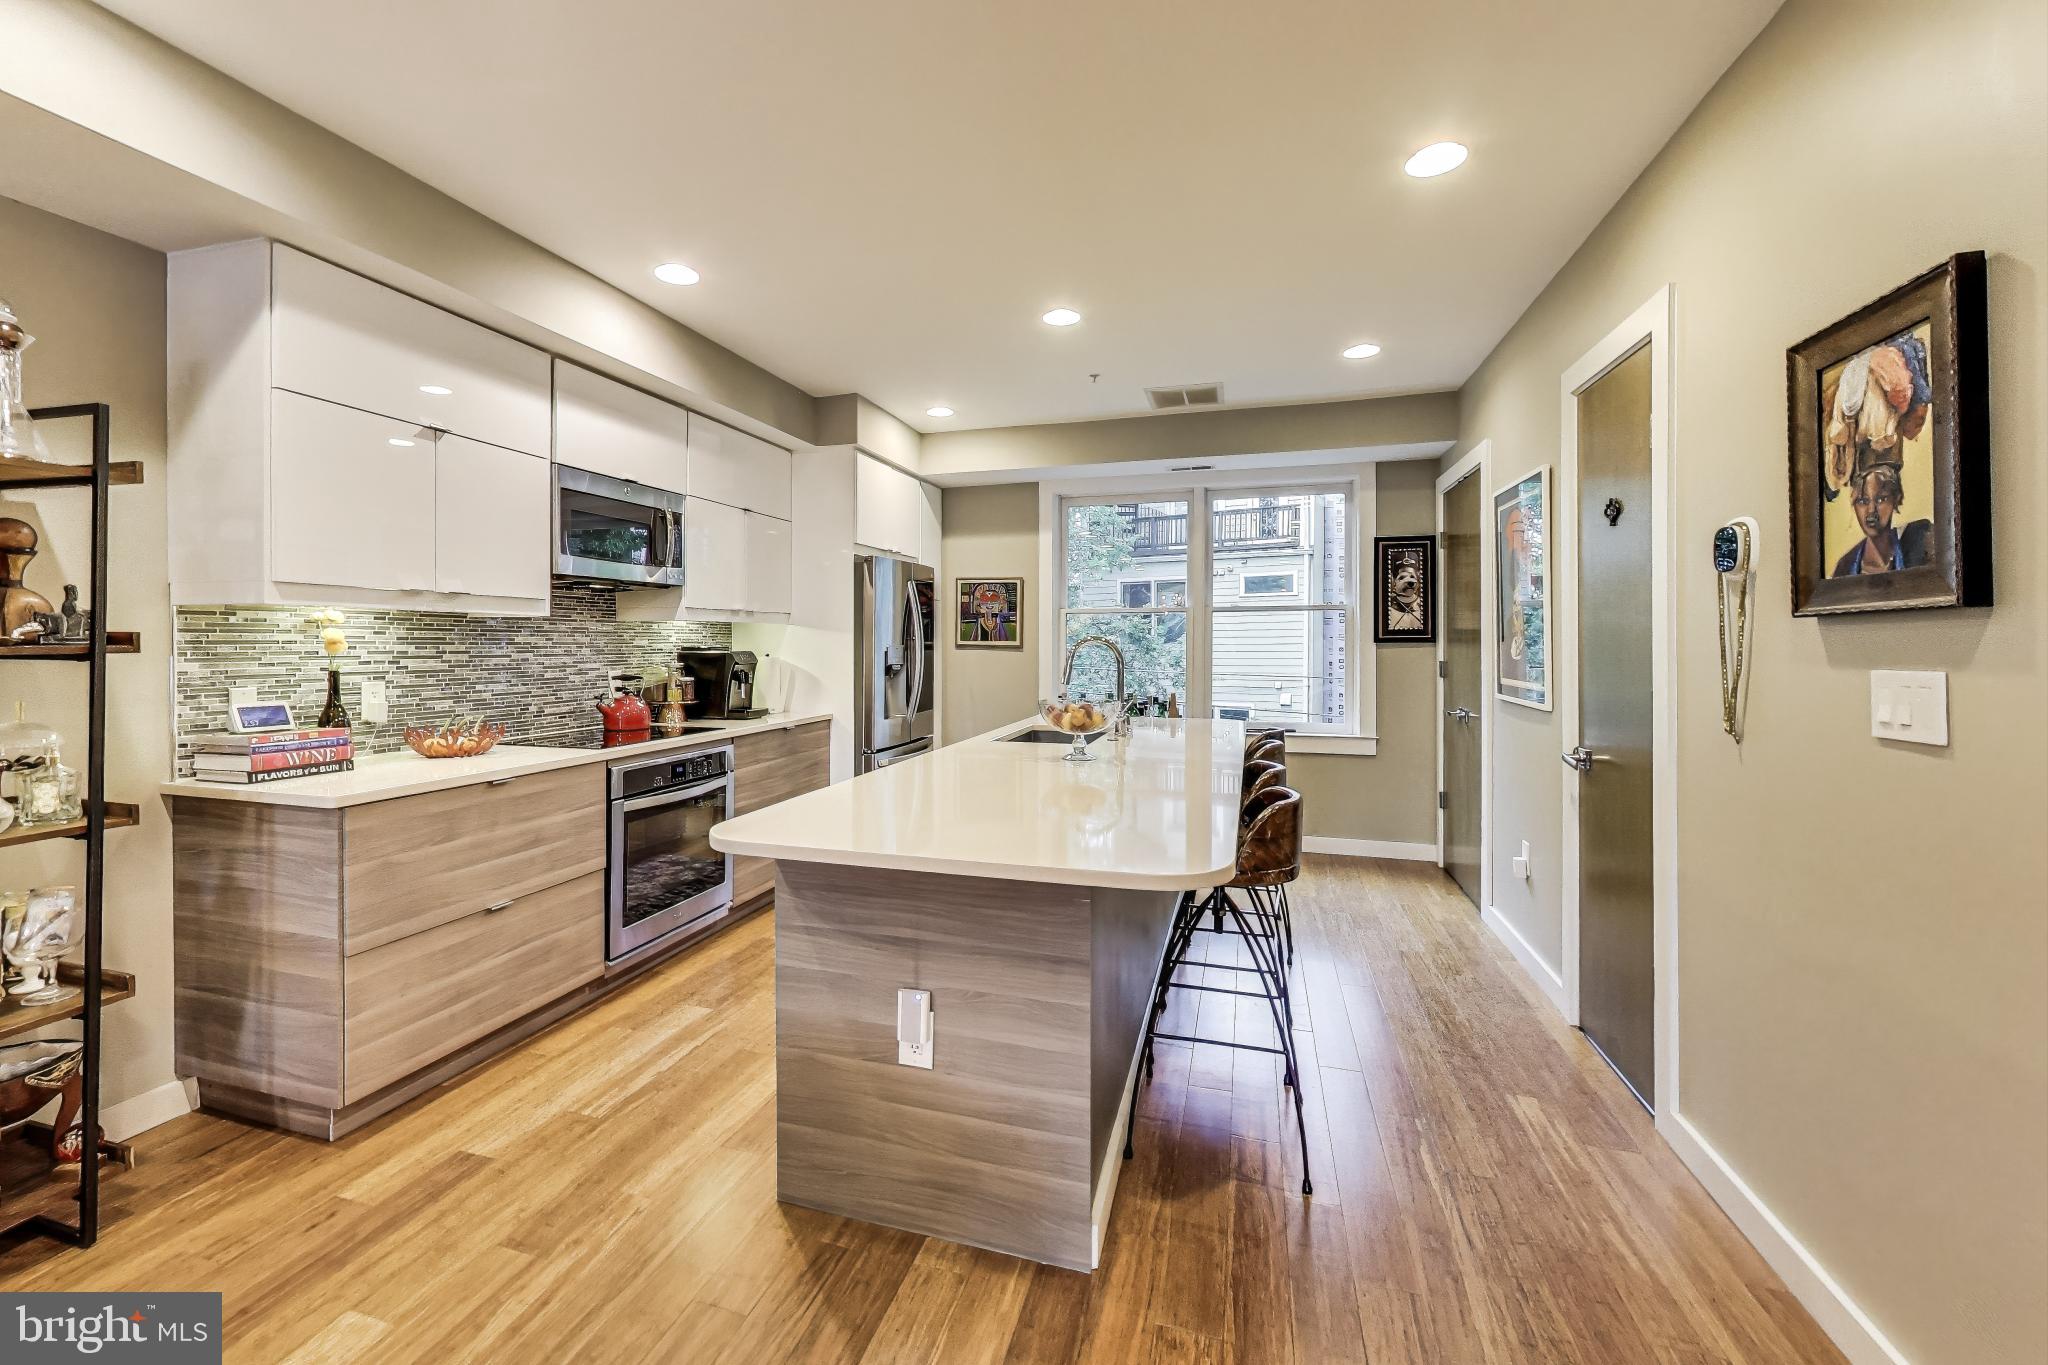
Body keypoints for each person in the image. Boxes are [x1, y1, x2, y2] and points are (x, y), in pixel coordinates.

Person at [1832, 464, 1932, 577]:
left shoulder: (1919, 541)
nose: (1871, 510)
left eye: (1881, 499)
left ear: (1896, 499)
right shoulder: (1846, 567)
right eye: (1863, 501)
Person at [1386, 555, 1425, 633]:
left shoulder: (1423, 607)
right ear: (1393, 582)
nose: (1410, 581)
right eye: (1402, 578)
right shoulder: (1388, 608)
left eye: (1412, 577)